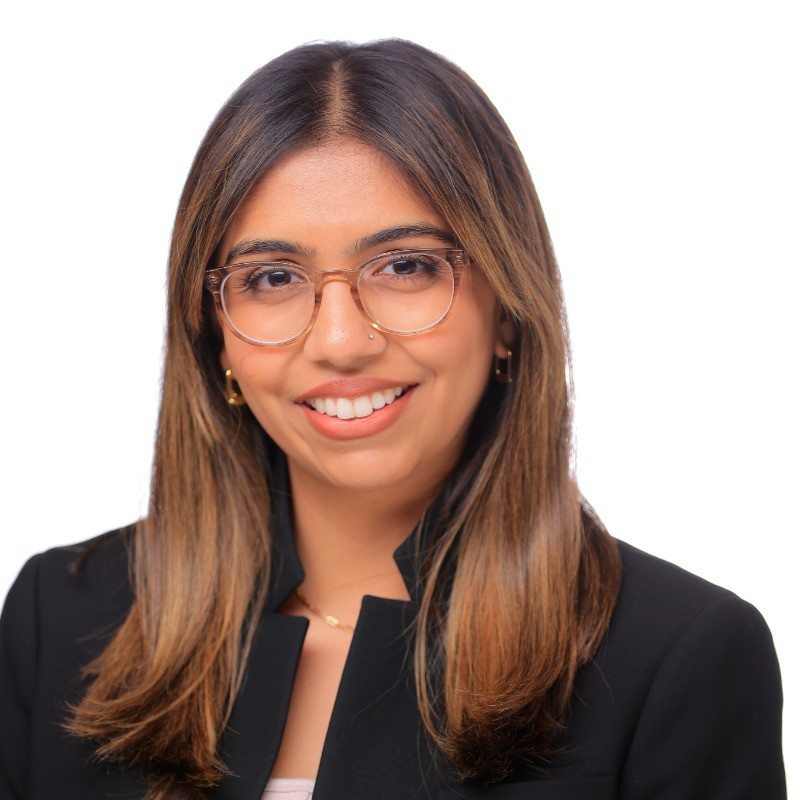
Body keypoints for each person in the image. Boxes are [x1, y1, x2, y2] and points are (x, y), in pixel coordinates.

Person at [0, 39, 786, 800]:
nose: (341, 341)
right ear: (216, 336)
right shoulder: (60, 620)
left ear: (507, 308)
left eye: (406, 265)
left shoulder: (680, 655)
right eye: (273, 277)